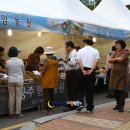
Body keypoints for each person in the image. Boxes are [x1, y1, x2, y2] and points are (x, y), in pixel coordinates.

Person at [76, 39, 100, 113]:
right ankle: (90, 107)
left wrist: (83, 70)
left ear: (85, 42)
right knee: (90, 89)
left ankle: (80, 104)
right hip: (91, 70)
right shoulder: (95, 51)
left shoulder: (80, 50)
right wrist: (91, 70)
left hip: (82, 70)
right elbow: (96, 61)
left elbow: (79, 61)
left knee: (80, 89)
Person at [108, 40, 129, 112]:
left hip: (122, 75)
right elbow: (109, 60)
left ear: (122, 45)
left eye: (118, 45)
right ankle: (117, 105)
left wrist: (114, 59)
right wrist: (116, 59)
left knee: (121, 90)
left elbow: (121, 59)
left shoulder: (126, 53)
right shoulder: (114, 52)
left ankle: (121, 106)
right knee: (115, 90)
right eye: (116, 45)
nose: (116, 47)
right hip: (114, 74)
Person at [6, 46, 25, 118]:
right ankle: (17, 113)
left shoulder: (7, 62)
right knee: (18, 97)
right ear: (16, 53)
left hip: (10, 80)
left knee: (11, 96)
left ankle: (11, 113)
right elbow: (23, 72)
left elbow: (7, 72)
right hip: (19, 80)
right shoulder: (21, 61)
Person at [41, 46, 58, 115]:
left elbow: (43, 71)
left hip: (47, 80)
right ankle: (51, 109)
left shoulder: (47, 61)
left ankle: (47, 109)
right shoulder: (56, 61)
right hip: (53, 80)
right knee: (52, 95)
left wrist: (40, 73)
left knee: (47, 96)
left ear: (47, 54)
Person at [63, 41, 78, 111]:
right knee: (71, 89)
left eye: (66, 47)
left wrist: (66, 61)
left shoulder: (74, 53)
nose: (65, 49)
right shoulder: (71, 53)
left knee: (72, 89)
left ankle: (73, 106)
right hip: (70, 72)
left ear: (69, 46)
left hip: (72, 72)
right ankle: (71, 104)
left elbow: (73, 63)